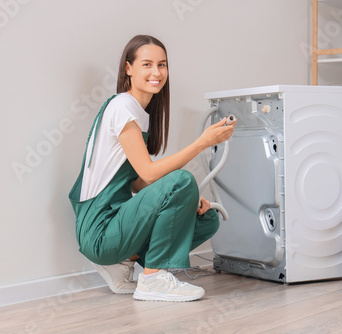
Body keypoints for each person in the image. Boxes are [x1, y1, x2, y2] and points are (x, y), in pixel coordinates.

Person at [68, 35, 235, 302]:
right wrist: (203, 143)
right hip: (99, 228)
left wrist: (184, 199)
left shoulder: (139, 112)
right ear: (128, 68)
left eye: (162, 65)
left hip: (116, 220)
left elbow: (136, 184)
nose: (156, 72)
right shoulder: (122, 106)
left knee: (207, 219)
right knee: (181, 180)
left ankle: (129, 261)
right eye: (147, 64)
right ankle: (153, 279)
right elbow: (148, 173)